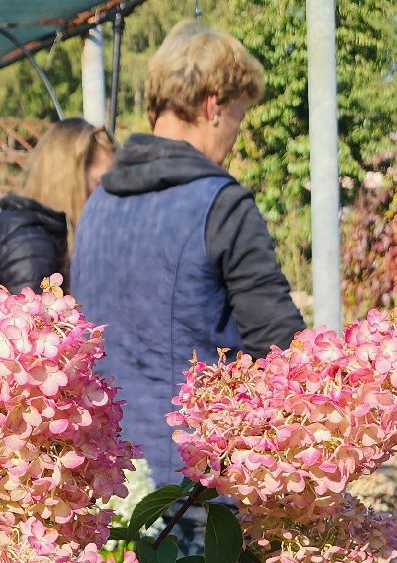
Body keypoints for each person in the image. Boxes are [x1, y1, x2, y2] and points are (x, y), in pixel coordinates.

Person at [70, 19, 305, 484]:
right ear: (213, 104)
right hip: (195, 480)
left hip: (104, 471)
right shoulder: (222, 203)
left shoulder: (97, 202)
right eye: (239, 114)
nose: (236, 134)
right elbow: (279, 347)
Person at [0, 118, 116, 301]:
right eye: (100, 184)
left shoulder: (35, 232)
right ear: (70, 180)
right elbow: (32, 327)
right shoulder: (31, 247)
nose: (108, 197)